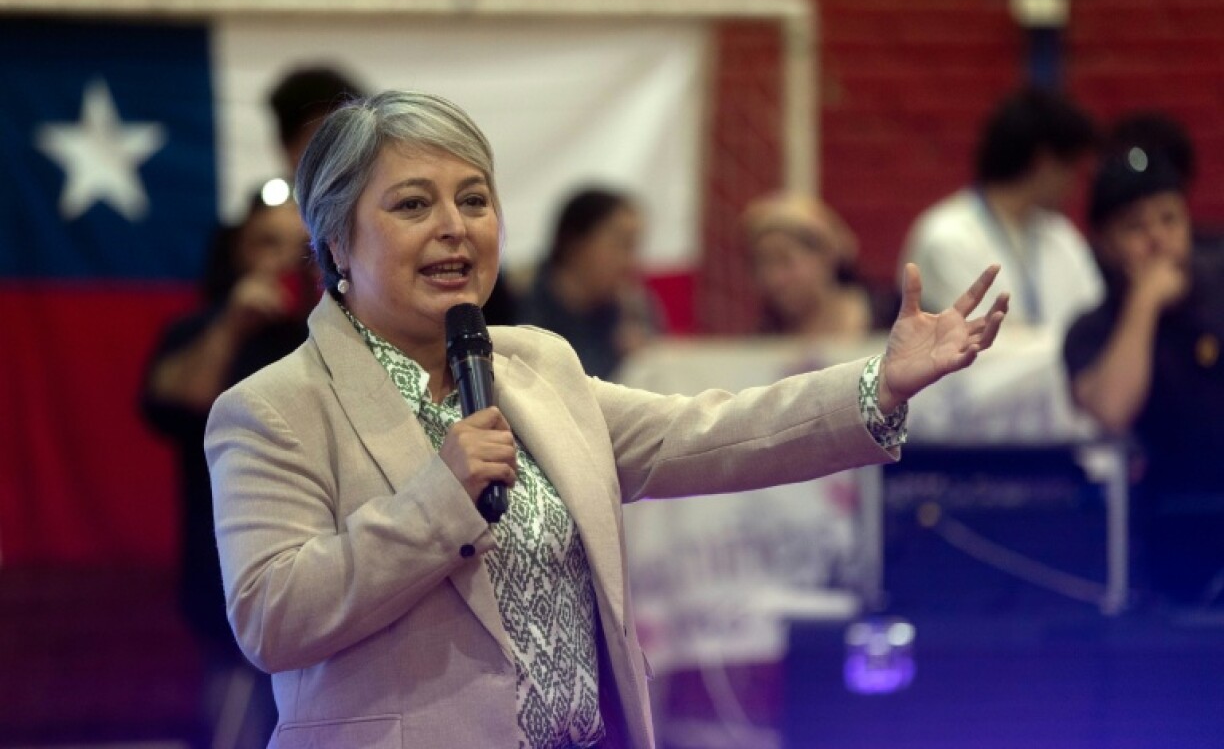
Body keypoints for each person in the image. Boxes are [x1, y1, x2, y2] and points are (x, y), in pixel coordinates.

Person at [203, 90, 1009, 749]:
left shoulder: (533, 366)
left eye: (475, 199)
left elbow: (709, 431)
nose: (455, 225)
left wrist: (880, 383)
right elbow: (273, 618)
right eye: (414, 204)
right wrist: (435, 503)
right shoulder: (273, 408)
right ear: (337, 241)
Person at [141, 190, 313, 747]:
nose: (283, 261)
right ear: (236, 251)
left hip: (331, 572)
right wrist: (234, 322)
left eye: (299, 249)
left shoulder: (333, 339)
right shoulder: (199, 331)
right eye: (267, 244)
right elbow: (178, 400)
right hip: (225, 578)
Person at [1063, 143, 1224, 608]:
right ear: (1106, 244)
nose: (1158, 239)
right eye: (1136, 227)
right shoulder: (1094, 329)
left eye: (1169, 219)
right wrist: (1146, 304)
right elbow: (1112, 408)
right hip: (1162, 536)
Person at [899, 85, 1103, 330]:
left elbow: (1095, 328)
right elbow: (976, 346)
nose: (1075, 185)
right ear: (1044, 162)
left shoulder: (1061, 234)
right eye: (1072, 169)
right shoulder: (947, 237)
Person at [518, 186, 658, 379]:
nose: (630, 261)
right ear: (575, 243)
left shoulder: (633, 310)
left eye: (635, 246)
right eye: (622, 244)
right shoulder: (518, 304)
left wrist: (644, 361)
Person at [743, 191, 877, 338]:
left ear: (826, 256)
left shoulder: (887, 319)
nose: (774, 279)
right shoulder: (763, 338)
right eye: (763, 264)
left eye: (784, 260)